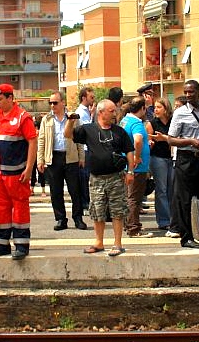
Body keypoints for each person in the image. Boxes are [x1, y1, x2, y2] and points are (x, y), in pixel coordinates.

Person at [149, 80, 199, 249]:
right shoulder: (180, 113)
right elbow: (171, 139)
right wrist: (190, 141)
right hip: (186, 159)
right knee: (184, 200)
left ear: (198, 91)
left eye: (191, 92)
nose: (188, 95)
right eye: (185, 92)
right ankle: (186, 237)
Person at [65, 99, 135, 257]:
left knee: (117, 210)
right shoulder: (88, 129)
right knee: (97, 210)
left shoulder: (119, 131)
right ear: (101, 112)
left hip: (116, 177)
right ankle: (99, 241)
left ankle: (117, 243)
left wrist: (130, 172)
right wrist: (70, 121)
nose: (114, 113)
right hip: (96, 178)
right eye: (111, 111)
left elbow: (129, 150)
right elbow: (68, 135)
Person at [0, 84, 38, 260]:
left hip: (17, 173)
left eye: (0, 99)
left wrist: (29, 168)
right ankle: (1, 244)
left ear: (10, 98)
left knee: (20, 207)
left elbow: (32, 142)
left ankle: (22, 245)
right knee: (2, 209)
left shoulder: (23, 117)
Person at [38, 92, 85, 231]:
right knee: (55, 191)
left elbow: (79, 139)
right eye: (50, 103)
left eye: (55, 103)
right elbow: (41, 140)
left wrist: (82, 157)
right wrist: (40, 159)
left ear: (63, 102)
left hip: (70, 157)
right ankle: (60, 219)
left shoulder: (73, 118)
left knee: (75, 190)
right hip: (53, 157)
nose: (53, 106)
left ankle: (78, 218)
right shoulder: (46, 119)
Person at [120, 97, 153, 238]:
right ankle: (134, 228)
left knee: (127, 196)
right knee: (135, 198)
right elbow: (138, 140)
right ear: (142, 109)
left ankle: (127, 224)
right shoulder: (136, 123)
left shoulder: (124, 121)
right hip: (137, 167)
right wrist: (137, 156)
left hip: (126, 164)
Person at [148, 98, 178, 235]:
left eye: (159, 107)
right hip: (158, 158)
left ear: (166, 109)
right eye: (155, 107)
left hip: (172, 158)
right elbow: (148, 138)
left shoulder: (173, 121)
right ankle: (164, 220)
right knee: (161, 189)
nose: (155, 110)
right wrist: (151, 141)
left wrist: (164, 138)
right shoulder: (152, 123)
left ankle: (173, 219)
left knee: (172, 189)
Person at [75, 87, 96, 214]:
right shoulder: (81, 112)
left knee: (86, 176)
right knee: (84, 176)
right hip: (85, 148)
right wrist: (92, 115)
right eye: (91, 97)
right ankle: (85, 202)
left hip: (87, 148)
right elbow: (87, 129)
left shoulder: (86, 111)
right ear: (84, 98)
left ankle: (86, 201)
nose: (93, 100)